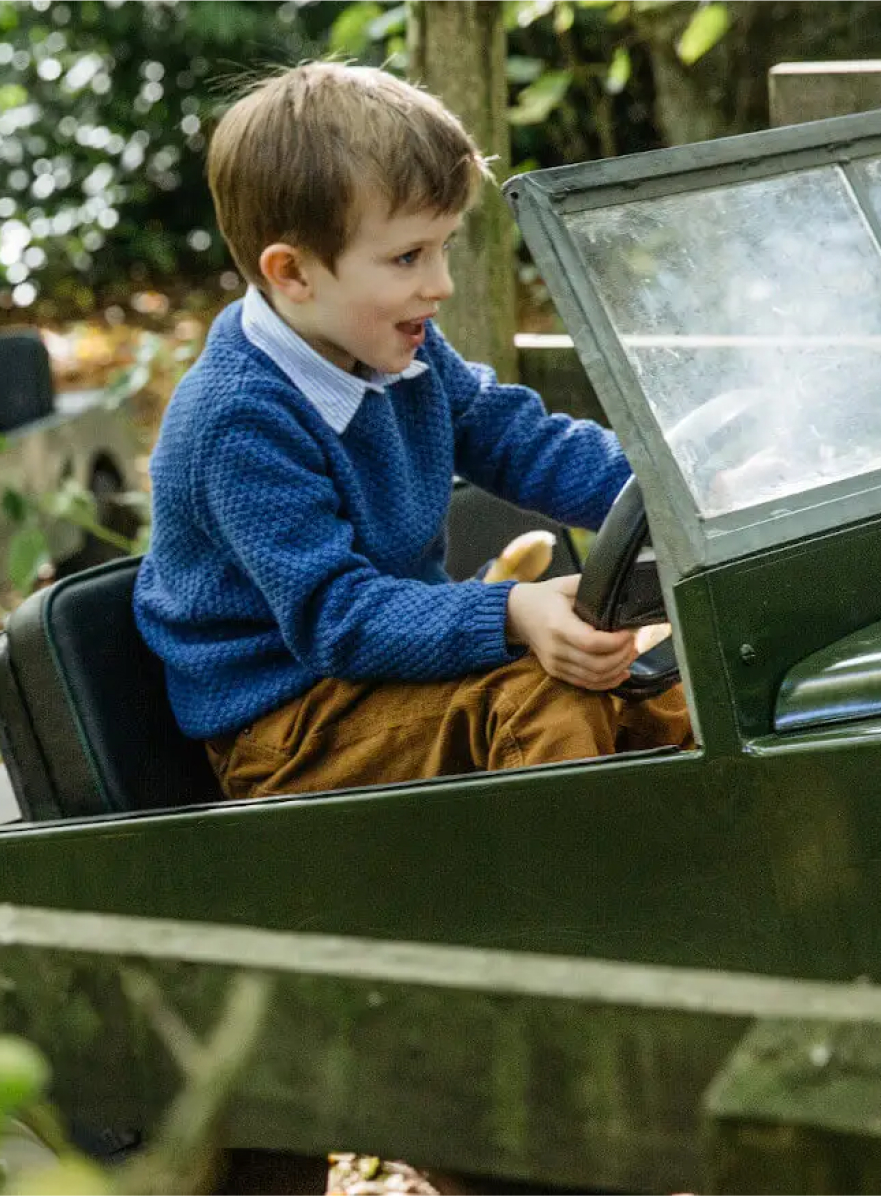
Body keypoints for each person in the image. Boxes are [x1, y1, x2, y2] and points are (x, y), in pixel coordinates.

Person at [132, 63, 694, 803]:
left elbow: (520, 439)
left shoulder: (399, 348)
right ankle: (579, 911)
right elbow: (338, 617)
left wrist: (680, 488)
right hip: (292, 720)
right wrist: (513, 612)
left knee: (660, 685)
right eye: (407, 257)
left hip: (392, 663)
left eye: (443, 247)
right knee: (544, 707)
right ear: (293, 273)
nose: (441, 284)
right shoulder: (239, 420)